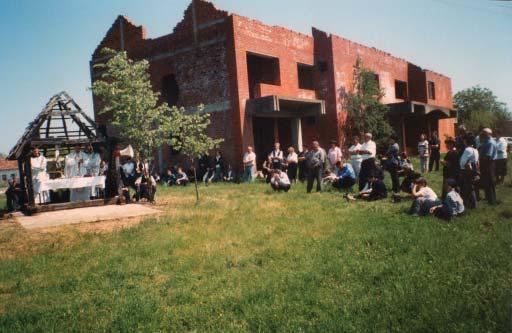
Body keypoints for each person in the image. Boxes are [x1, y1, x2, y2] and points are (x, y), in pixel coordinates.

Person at [459, 135, 479, 209]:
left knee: (465, 188)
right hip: (472, 171)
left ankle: (467, 205)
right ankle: (473, 204)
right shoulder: (475, 150)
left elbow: (462, 162)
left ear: (467, 141)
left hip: (465, 171)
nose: (463, 141)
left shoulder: (467, 150)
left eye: (464, 140)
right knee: (471, 188)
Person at [478, 128, 497, 205]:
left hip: (488, 164)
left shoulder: (490, 143)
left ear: (488, 134)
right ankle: (488, 198)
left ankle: (492, 200)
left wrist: (479, 158)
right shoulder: (486, 142)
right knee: (486, 182)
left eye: (483, 133)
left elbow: (488, 156)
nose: (482, 134)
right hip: (485, 164)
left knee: (489, 182)